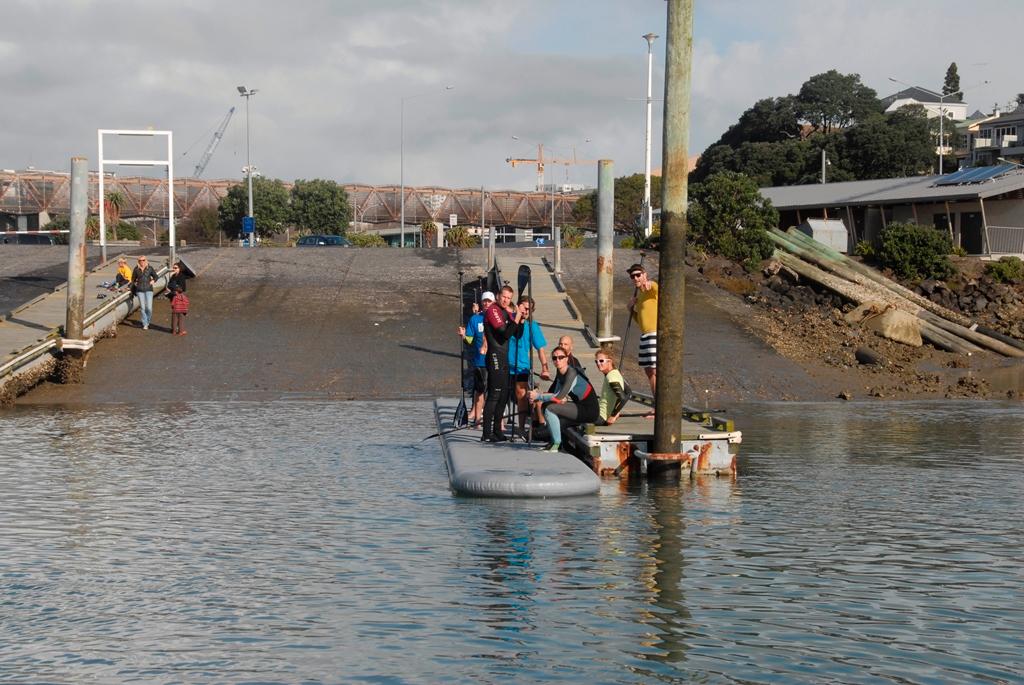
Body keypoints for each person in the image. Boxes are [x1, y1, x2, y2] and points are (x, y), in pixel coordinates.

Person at [529, 345, 599, 453]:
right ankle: (554, 442)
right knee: (546, 406)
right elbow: (556, 396)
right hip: (579, 406)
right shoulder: (560, 373)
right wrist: (534, 398)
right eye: (554, 358)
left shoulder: (571, 373)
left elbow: (558, 396)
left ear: (567, 358)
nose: (558, 360)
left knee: (550, 408)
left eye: (561, 357)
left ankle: (556, 444)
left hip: (589, 410)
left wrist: (538, 395)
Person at [481, 285, 525, 443]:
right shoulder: (493, 310)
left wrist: (521, 320)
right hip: (494, 356)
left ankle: (497, 431)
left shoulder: (506, 312)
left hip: (504, 357)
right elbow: (505, 333)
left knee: (504, 396)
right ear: (498, 296)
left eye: (509, 298)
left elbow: (517, 334)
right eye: (504, 297)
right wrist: (517, 317)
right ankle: (486, 434)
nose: (506, 300)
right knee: (494, 395)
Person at [508, 295, 551, 436]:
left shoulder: (532, 326)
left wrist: (545, 367)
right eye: (525, 308)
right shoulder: (508, 319)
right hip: (504, 365)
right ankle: (498, 427)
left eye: (529, 310)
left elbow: (540, 349)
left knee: (521, 395)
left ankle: (521, 427)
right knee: (501, 396)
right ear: (517, 306)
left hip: (521, 367)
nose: (526, 312)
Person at [458, 291, 494, 427]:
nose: (486, 303)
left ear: (493, 303)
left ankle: (495, 420)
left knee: (493, 393)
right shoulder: (475, 319)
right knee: (479, 391)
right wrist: (463, 336)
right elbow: (469, 340)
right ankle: (477, 420)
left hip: (495, 361)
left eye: (489, 301)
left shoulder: (497, 317)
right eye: (485, 301)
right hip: (480, 361)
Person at [627, 262, 658, 397]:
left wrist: (650, 283)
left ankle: (658, 406)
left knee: (655, 371)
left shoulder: (650, 290)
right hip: (645, 335)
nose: (635, 278)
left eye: (638, 275)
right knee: (649, 372)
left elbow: (656, 288)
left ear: (645, 275)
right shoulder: (639, 298)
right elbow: (640, 321)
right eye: (632, 276)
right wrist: (630, 310)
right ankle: (656, 404)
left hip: (654, 335)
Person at [594, 351, 630, 426]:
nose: (598, 364)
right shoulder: (615, 372)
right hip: (601, 414)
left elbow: (623, 398)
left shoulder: (611, 377)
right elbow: (629, 392)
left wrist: (613, 415)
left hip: (601, 417)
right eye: (596, 361)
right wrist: (617, 410)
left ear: (609, 361)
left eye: (601, 361)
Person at [131, 255, 157, 330]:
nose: (142, 262)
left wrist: (153, 281)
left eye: (143, 260)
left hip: (149, 290)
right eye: (140, 260)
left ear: (146, 260)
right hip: (140, 290)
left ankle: (148, 321)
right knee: (142, 308)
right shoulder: (136, 269)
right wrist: (135, 283)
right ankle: (145, 324)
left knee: (149, 308)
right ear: (138, 261)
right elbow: (133, 278)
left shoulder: (150, 268)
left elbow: (156, 276)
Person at [166, 262, 189, 336]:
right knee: (179, 314)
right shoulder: (178, 276)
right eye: (174, 267)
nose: (174, 269)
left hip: (173, 295)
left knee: (175, 313)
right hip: (177, 297)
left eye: (175, 268)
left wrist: (172, 287)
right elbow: (183, 289)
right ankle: (180, 331)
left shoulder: (177, 276)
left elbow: (170, 286)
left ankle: (174, 330)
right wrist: (175, 288)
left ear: (179, 268)